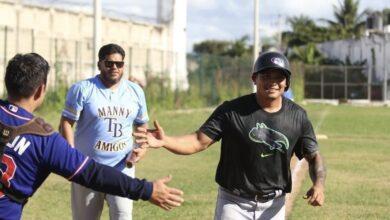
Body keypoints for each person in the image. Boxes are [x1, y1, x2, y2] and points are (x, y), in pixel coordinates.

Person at [134, 51, 326, 220]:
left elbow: (313, 155)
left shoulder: (297, 116)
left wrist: (318, 184)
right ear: (254, 78)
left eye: (279, 77)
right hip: (234, 202)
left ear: (286, 82)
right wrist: (165, 140)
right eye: (266, 75)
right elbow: (197, 141)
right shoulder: (232, 111)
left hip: (274, 205)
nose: (273, 82)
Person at [0, 53, 183, 220]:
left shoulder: (133, 91)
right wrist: (147, 190)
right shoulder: (45, 139)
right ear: (41, 90)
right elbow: (93, 173)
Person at [59, 43, 151, 220]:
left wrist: (142, 147)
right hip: (87, 168)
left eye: (119, 64)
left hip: (122, 169)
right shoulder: (82, 89)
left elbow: (141, 126)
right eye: (109, 63)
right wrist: (71, 157)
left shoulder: (136, 91)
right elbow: (66, 123)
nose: (114, 67)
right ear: (99, 64)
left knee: (123, 216)